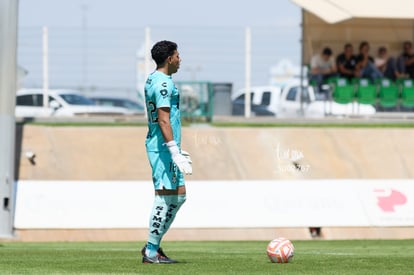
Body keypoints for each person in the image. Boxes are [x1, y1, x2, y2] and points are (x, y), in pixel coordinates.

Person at [142, 40, 192, 264]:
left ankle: (153, 246)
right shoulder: (163, 84)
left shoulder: (155, 78)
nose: (180, 59)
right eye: (178, 55)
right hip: (162, 148)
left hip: (166, 146)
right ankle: (151, 251)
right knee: (164, 197)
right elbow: (163, 119)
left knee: (179, 195)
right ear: (170, 58)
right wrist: (173, 151)